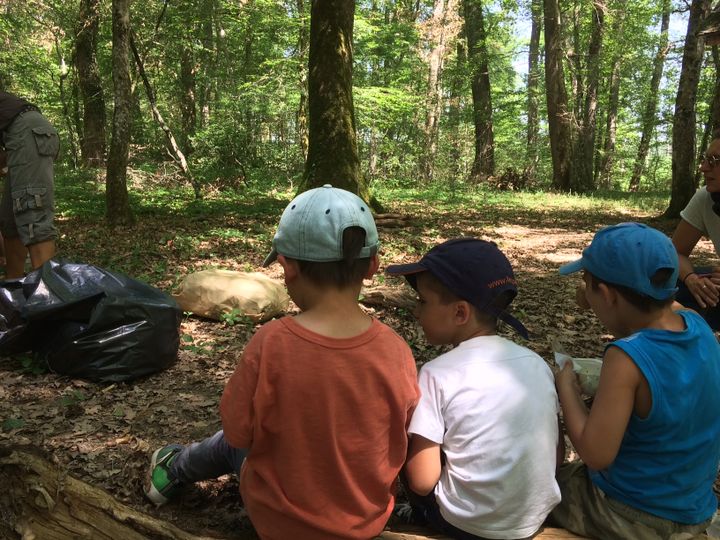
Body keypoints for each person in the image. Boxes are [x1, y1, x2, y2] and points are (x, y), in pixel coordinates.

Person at [145, 185, 420, 540]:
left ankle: (173, 468)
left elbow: (238, 432)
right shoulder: (396, 350)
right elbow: (402, 436)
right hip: (363, 521)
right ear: (372, 266)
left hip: (278, 522)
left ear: (287, 267)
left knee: (228, 445)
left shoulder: (272, 343)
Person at [552, 222, 720, 540]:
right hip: (692, 508)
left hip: (633, 514)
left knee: (544, 487)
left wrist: (566, 388)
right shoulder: (697, 325)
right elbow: (662, 306)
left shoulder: (625, 357)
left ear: (607, 294)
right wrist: (593, 293)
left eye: (587, 284)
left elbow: (595, 453)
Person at [386, 238, 562, 540]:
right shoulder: (536, 364)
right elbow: (556, 457)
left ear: (460, 313)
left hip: (466, 526)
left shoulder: (437, 374)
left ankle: (418, 516)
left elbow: (422, 481)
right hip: (530, 518)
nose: (416, 311)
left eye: (423, 302)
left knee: (407, 435)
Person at [0, 91, 58, 278]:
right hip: (16, 140)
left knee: (32, 214)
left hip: (25, 130)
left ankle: (49, 297)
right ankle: (12, 290)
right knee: (10, 222)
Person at [671, 136, 720, 329]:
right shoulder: (706, 198)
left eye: (715, 161)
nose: (703, 167)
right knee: (662, 282)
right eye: (705, 159)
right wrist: (691, 278)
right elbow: (675, 252)